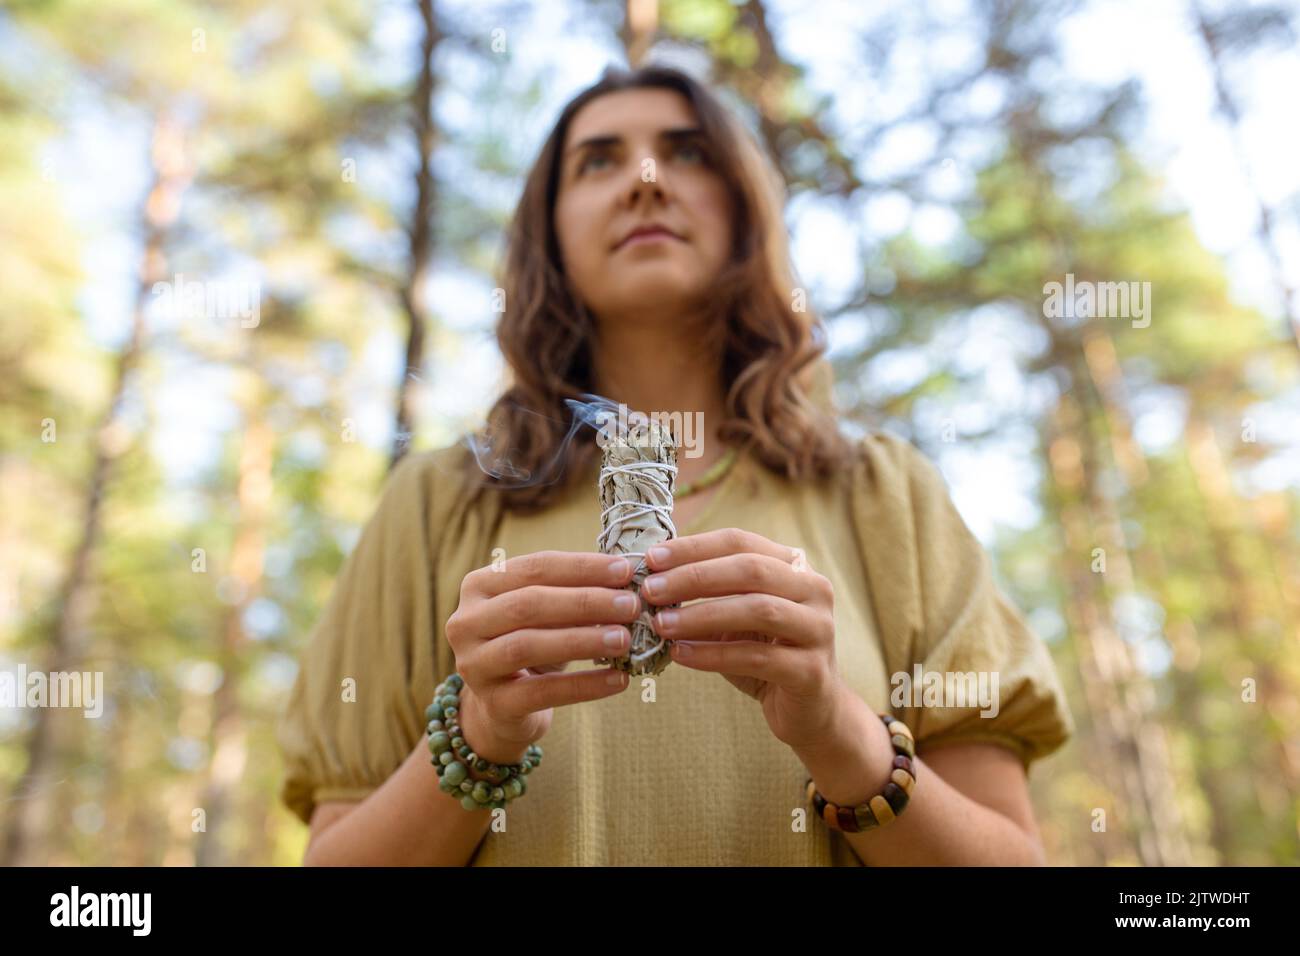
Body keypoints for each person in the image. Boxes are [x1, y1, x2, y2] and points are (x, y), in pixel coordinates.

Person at [276, 64, 1074, 866]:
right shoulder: (436, 503)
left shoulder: (882, 493)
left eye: (687, 153)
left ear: (742, 208)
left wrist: (837, 729)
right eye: (598, 160)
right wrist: (478, 736)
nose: (646, 181)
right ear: (547, 233)